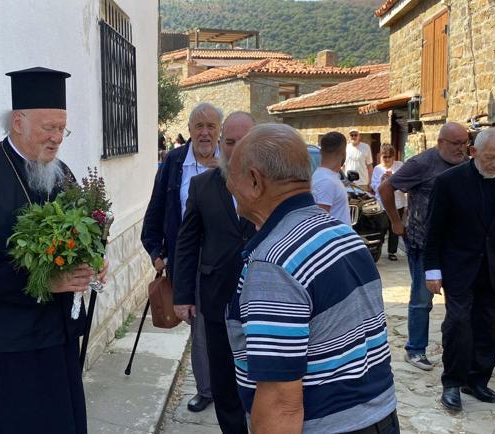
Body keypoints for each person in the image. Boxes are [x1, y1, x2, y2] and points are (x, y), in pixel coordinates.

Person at [0, 67, 107, 433]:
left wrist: (93, 263)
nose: (57, 138)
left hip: (52, 339)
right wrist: (47, 282)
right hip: (0, 345)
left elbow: (82, 239)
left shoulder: (62, 174)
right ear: (19, 122)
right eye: (49, 128)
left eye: (62, 128)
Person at [224, 123, 397, 433]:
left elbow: (280, 401)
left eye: (231, 175)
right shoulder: (343, 234)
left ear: (253, 180)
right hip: (380, 418)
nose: (227, 185)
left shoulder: (275, 264)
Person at [174, 111, 256, 433]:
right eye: (231, 142)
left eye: (244, 142)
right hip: (217, 299)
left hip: (263, 301)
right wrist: (182, 296)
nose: (236, 149)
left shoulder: (273, 185)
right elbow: (187, 244)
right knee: (223, 382)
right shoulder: (202, 186)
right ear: (223, 144)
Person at [424, 127, 495, 412]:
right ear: (473, 152)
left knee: (489, 327)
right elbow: (434, 230)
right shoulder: (448, 182)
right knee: (459, 325)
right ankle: (452, 383)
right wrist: (432, 270)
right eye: (490, 157)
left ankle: (477, 380)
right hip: (458, 269)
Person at [141, 102, 222, 412]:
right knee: (198, 326)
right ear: (189, 130)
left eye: (210, 126)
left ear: (219, 131)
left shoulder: (230, 161)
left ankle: (234, 380)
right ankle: (207, 389)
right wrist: (155, 252)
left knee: (229, 323)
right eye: (198, 126)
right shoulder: (175, 162)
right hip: (188, 258)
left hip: (227, 258)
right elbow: (156, 209)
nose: (204, 133)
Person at [378, 122, 469, 371]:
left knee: (458, 301)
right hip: (423, 244)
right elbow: (386, 187)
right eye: (456, 143)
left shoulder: (468, 164)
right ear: (440, 142)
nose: (462, 148)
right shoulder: (421, 164)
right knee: (422, 299)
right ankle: (415, 349)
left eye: (465, 142)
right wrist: (395, 222)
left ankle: (455, 348)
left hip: (457, 246)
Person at [370, 143, 406, 261]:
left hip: (398, 203)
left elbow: (405, 183)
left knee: (394, 228)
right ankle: (377, 250)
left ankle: (392, 252)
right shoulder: (377, 168)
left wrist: (393, 178)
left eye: (389, 157)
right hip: (382, 203)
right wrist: (381, 180)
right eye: (384, 157)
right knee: (381, 228)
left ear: (393, 157)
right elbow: (374, 186)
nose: (386, 159)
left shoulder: (400, 166)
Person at [311, 131, 350, 224]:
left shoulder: (327, 177)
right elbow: (320, 223)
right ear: (343, 152)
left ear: (321, 151)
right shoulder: (326, 180)